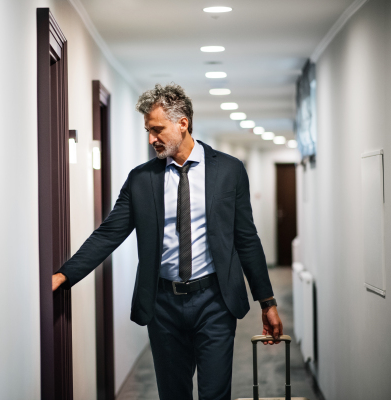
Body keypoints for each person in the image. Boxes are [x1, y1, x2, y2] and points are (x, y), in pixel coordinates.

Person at [52, 83, 283, 400]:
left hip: (215, 300)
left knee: (215, 394)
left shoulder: (229, 170)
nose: (151, 139)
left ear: (183, 123)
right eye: (148, 130)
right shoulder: (141, 179)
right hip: (163, 305)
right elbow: (109, 233)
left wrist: (267, 301)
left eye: (157, 129)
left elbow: (246, 238)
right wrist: (65, 275)